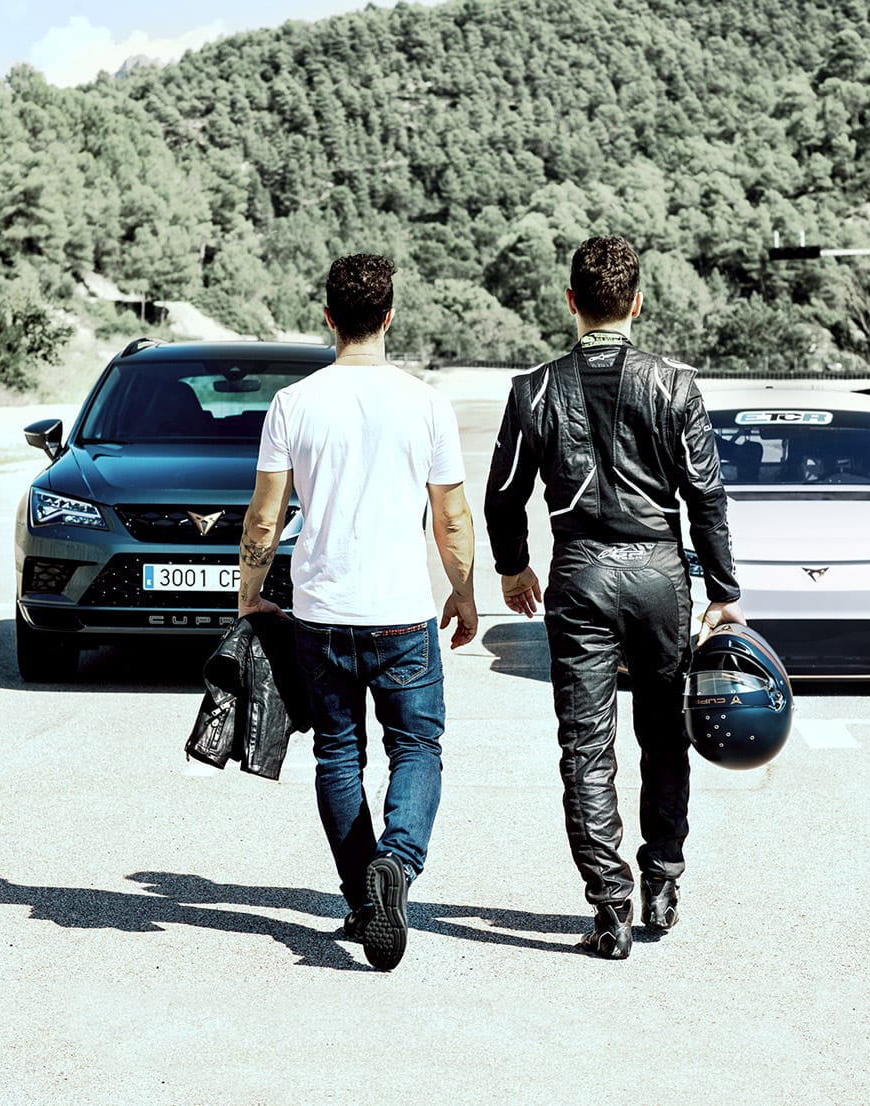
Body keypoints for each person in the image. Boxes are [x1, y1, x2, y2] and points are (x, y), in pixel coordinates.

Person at [484, 235, 744, 960]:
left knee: (585, 745)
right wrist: (722, 592)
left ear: (570, 302)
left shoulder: (533, 389)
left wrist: (512, 568)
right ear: (637, 302)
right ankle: (663, 879)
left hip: (580, 574)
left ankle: (611, 907)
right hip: (661, 571)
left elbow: (502, 497)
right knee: (664, 733)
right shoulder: (674, 386)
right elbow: (707, 498)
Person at [237, 253, 478, 971]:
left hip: (322, 610)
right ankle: (397, 868)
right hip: (402, 612)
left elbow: (263, 517)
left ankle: (361, 894)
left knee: (339, 754)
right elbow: (453, 518)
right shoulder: (426, 402)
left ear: (329, 316)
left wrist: (249, 592)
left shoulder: (296, 403)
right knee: (417, 749)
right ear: (390, 316)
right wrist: (464, 595)